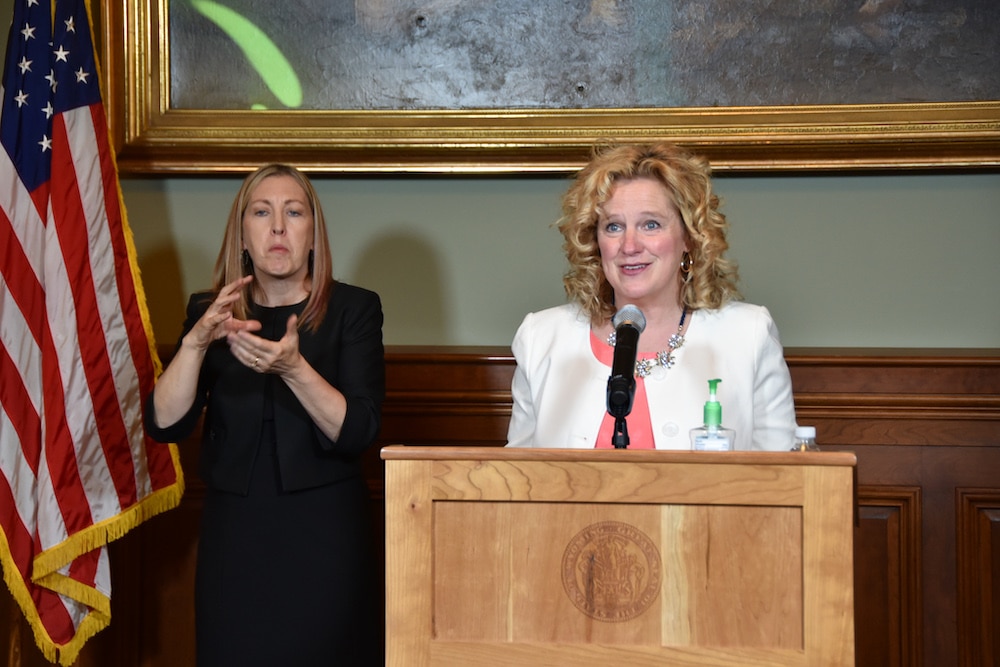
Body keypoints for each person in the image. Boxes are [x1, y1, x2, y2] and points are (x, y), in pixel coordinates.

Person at [144, 164, 384, 665]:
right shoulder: (211, 310)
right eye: (261, 212)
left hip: (326, 535)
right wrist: (195, 343)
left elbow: (358, 430)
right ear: (242, 235)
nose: (277, 227)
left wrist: (294, 369)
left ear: (313, 235)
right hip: (235, 537)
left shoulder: (354, 309)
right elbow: (165, 424)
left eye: (293, 213)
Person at [506, 143, 796, 451]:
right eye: (613, 226)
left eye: (651, 224)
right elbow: (515, 475)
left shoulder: (748, 335)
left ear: (689, 237)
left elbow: (784, 475)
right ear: (595, 241)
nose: (629, 246)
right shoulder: (541, 339)